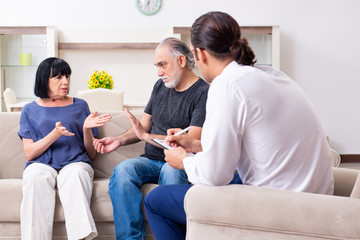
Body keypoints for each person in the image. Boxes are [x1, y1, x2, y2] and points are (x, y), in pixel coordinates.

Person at [144, 11, 334, 240]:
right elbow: (254, 145)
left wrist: (183, 160)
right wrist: (196, 145)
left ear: (200, 54)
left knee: (155, 200)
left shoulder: (226, 85)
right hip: (318, 199)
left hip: (280, 207)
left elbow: (216, 175)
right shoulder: (272, 75)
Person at [92, 37, 209, 239]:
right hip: (151, 160)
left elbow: (191, 141)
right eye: (157, 66)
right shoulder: (160, 86)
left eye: (163, 65)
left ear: (181, 61)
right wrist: (119, 140)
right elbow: (143, 126)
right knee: (122, 171)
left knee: (172, 174)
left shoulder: (203, 92)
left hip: (178, 162)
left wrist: (145, 136)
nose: (159, 72)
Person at [18, 57, 112, 240]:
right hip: (41, 163)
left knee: (75, 175)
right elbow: (29, 153)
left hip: (76, 162)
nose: (65, 82)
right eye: (59, 77)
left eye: (67, 76)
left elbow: (91, 154)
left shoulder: (80, 105)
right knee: (35, 176)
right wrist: (55, 134)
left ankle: (81, 237)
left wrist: (86, 129)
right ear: (44, 79)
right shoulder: (29, 109)